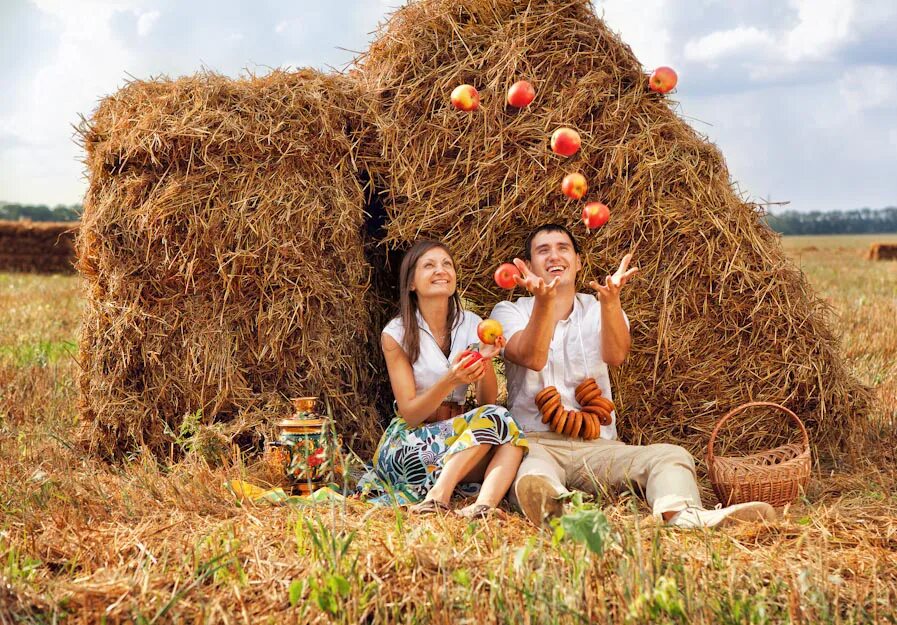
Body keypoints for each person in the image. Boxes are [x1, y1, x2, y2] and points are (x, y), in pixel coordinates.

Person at [491, 224, 775, 528]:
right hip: (536, 442)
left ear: (578, 261)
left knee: (670, 456)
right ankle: (564, 514)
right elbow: (532, 357)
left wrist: (611, 302)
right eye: (542, 250)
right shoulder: (508, 312)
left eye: (563, 248)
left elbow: (616, 355)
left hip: (599, 446)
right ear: (530, 266)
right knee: (534, 474)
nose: (554, 256)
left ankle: (682, 514)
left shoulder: (600, 306)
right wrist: (544, 303)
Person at [372, 239, 528, 519]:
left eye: (447, 264)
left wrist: (485, 360)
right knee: (501, 419)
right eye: (429, 265)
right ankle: (438, 497)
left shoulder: (472, 324)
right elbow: (409, 413)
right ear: (411, 283)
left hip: (457, 441)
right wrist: (450, 380)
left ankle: (483, 508)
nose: (441, 270)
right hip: (409, 445)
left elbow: (485, 403)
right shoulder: (396, 333)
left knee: (512, 438)